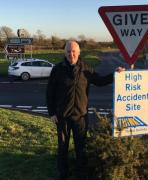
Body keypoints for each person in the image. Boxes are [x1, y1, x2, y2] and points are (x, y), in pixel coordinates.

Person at [46, 40, 125, 180]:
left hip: (80, 117)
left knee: (81, 148)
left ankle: (81, 174)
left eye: (74, 51)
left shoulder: (86, 68)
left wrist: (115, 75)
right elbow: (49, 92)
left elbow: (100, 81)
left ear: (79, 52)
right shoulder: (57, 69)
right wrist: (51, 113)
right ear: (64, 53)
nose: (71, 54)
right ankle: (63, 174)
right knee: (63, 147)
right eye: (68, 51)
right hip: (62, 116)